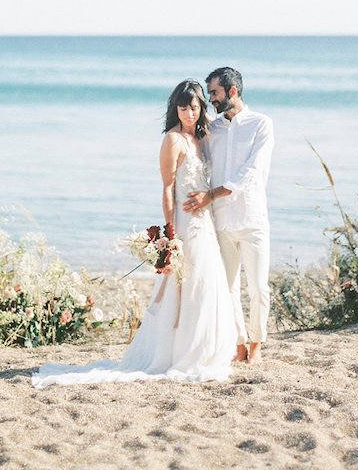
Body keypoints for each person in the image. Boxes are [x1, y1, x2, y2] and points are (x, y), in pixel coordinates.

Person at [31, 80, 236, 388]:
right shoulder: (173, 140)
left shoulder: (202, 138)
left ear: (201, 108)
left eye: (194, 108)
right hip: (185, 222)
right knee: (187, 285)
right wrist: (170, 234)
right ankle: (180, 353)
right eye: (183, 108)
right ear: (175, 109)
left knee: (207, 283)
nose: (189, 114)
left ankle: (204, 351)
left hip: (205, 222)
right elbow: (167, 189)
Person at [182, 67, 274, 365]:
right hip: (220, 221)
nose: (212, 99)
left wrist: (211, 195)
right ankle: (239, 343)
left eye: (215, 93)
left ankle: (258, 342)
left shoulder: (262, 125)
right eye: (210, 94)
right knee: (228, 286)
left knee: (259, 287)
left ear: (232, 91)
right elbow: (198, 160)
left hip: (252, 220)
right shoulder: (213, 129)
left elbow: (253, 172)